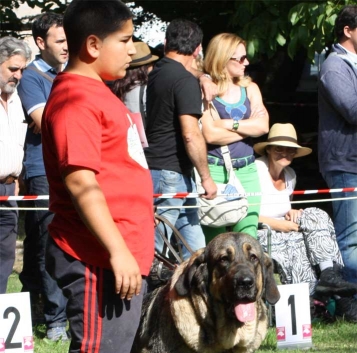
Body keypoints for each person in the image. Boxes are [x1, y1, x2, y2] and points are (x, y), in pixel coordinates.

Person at [42, 0, 156, 353]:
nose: (132, 49)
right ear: (94, 45)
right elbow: (81, 181)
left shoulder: (98, 93)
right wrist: (115, 252)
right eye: (126, 39)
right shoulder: (74, 100)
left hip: (120, 254)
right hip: (95, 259)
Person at [254, 123, 357, 310]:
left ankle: (329, 275)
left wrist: (291, 212)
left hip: (286, 229)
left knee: (314, 213)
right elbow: (245, 214)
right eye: (279, 148)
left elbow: (283, 207)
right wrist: (279, 225)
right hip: (262, 233)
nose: (284, 153)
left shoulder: (290, 175)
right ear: (268, 149)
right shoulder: (255, 170)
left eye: (290, 150)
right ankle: (312, 302)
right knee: (296, 245)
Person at [145, 18, 217, 261]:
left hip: (166, 172)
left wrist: (203, 77)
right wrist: (207, 178)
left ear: (166, 43)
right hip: (170, 176)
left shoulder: (157, 73)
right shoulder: (183, 80)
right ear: (198, 49)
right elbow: (190, 133)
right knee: (153, 251)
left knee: (196, 253)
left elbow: (186, 69)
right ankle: (140, 298)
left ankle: (197, 296)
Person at [18, 12, 69, 341]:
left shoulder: (69, 74)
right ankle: (54, 321)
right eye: (60, 41)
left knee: (62, 243)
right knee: (47, 245)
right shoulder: (32, 77)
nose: (67, 46)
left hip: (70, 167)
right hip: (41, 170)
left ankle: (50, 311)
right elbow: (42, 120)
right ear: (40, 43)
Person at [200, 33, 269, 243]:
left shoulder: (250, 88)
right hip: (214, 171)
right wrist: (248, 128)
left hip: (248, 170)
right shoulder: (206, 89)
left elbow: (263, 126)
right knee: (215, 241)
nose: (246, 63)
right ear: (222, 58)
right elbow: (210, 134)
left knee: (248, 240)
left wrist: (228, 124)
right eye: (240, 59)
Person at [318, 4, 357, 320]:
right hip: (345, 162)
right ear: (348, 30)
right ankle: (349, 303)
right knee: (350, 237)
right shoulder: (334, 66)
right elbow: (353, 109)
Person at [0, 37, 31, 294]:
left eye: (22, 69)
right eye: (13, 68)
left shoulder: (17, 99)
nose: (18, 75)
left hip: (9, 190)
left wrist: (16, 178)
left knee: (5, 256)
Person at [109, 41, 159, 126]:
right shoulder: (147, 89)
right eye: (151, 64)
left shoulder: (117, 86)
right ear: (145, 68)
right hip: (142, 135)